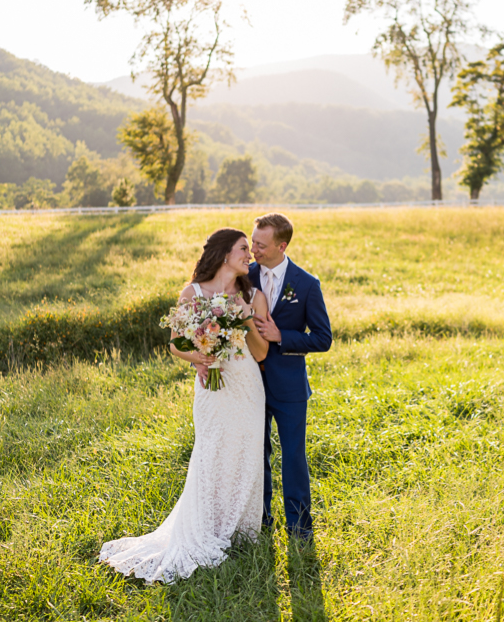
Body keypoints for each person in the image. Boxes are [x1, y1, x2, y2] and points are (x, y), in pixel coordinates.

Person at [99, 228, 270, 584]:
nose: (249, 255)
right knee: (212, 450)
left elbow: (261, 352)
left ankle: (239, 532)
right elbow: (175, 344)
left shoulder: (250, 294)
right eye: (243, 249)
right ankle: (207, 527)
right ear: (225, 254)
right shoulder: (192, 292)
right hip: (212, 386)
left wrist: (245, 318)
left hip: (247, 385)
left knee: (245, 452)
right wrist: (201, 359)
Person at [248, 213, 332, 540]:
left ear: (281, 246)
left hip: (290, 387)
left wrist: (280, 335)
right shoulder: (244, 276)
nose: (253, 249)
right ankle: (261, 523)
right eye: (253, 241)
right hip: (250, 384)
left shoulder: (307, 284)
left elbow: (322, 338)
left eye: (261, 244)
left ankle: (299, 529)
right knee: (257, 455)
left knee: (293, 457)